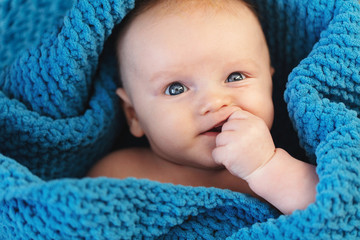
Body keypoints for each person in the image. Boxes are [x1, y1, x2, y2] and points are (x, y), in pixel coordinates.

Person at [88, 0, 318, 215]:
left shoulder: (283, 169)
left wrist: (265, 166)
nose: (214, 102)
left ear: (270, 86)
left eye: (235, 77)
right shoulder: (118, 174)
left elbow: (334, 209)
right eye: (176, 88)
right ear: (133, 115)